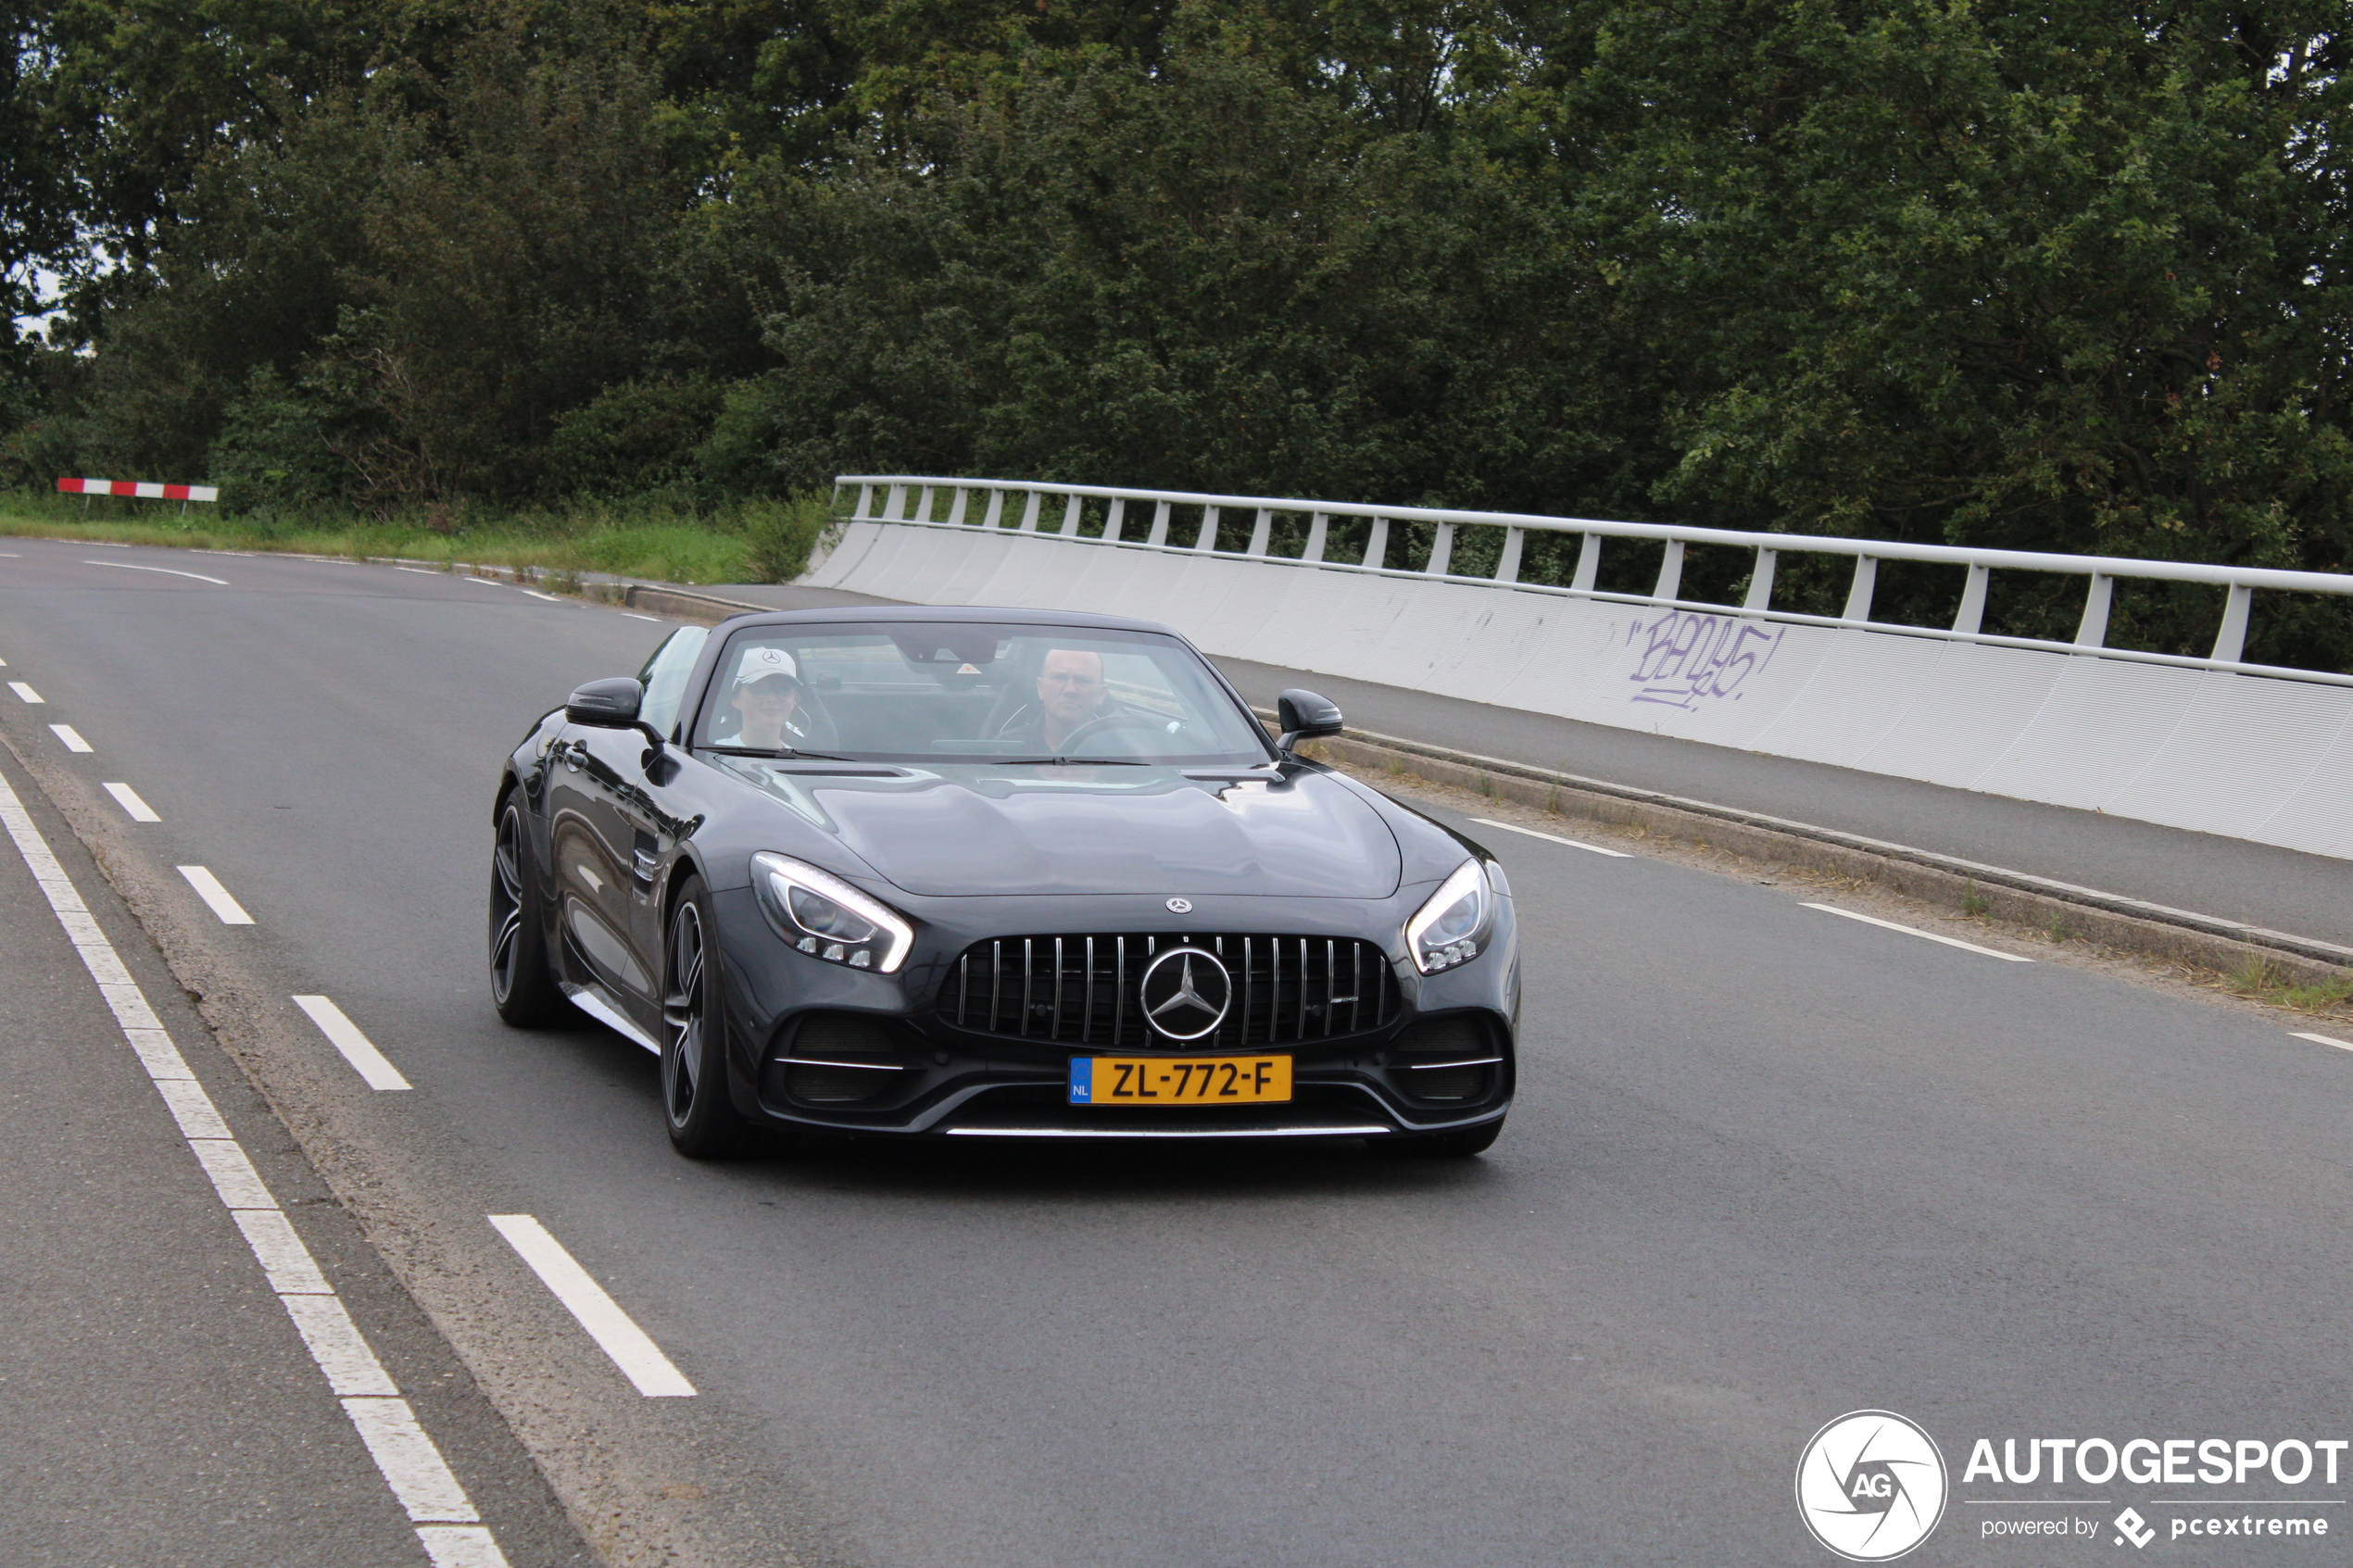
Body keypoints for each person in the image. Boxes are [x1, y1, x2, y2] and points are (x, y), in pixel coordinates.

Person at [996, 646, 1119, 751]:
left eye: (1083, 680)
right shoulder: (1006, 748)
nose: (1070, 690)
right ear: (1040, 688)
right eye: (1060, 678)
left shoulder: (1119, 751)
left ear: (1102, 694)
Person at [716, 647, 812, 749]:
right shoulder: (711, 756)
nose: (772, 698)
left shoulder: (801, 761)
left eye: (784, 689)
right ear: (736, 699)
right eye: (759, 689)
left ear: (793, 700)